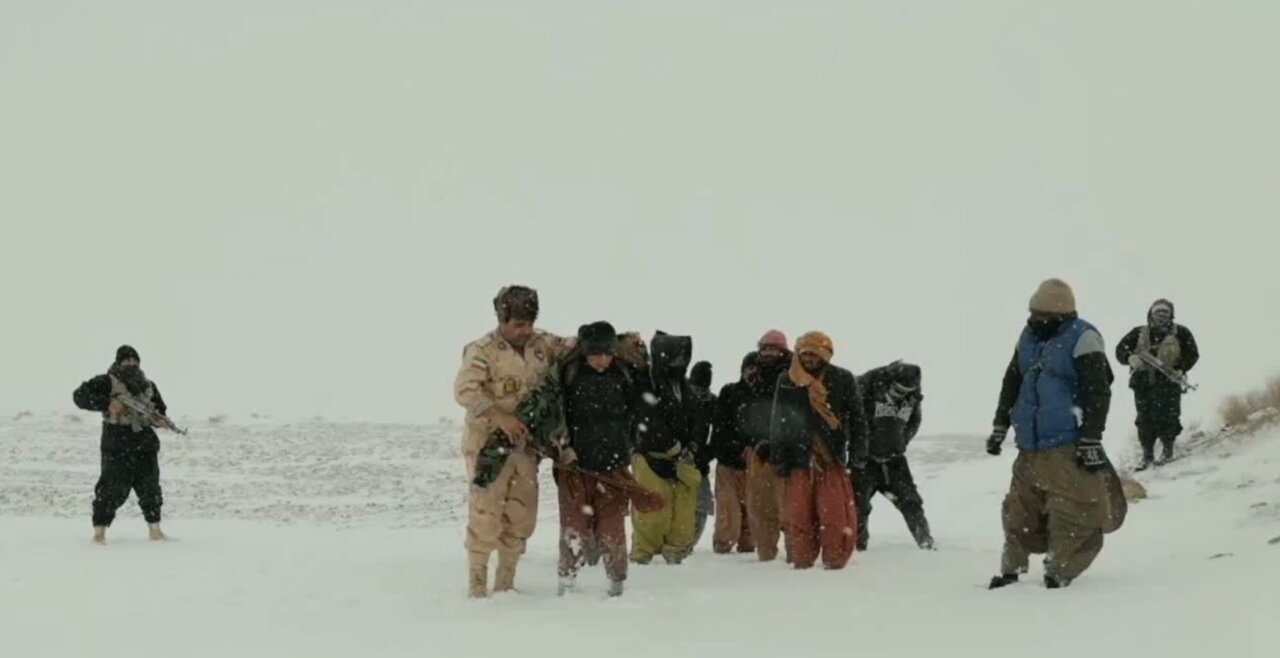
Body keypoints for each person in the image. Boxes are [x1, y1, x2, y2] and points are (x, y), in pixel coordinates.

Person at [986, 279, 1119, 590]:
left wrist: (1090, 438)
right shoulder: (1028, 336)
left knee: (1072, 511)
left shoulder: (1084, 337)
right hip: (1029, 445)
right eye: (1033, 315)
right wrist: (999, 425)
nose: (1036, 321)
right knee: (1018, 510)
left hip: (1067, 444)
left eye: (1043, 317)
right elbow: (1012, 381)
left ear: (1062, 316)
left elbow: (1098, 392)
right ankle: (1010, 571)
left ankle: (1059, 571)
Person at [453, 285, 571, 598]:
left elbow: (575, 347)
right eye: (518, 324)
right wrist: (498, 415)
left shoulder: (542, 344)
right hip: (489, 447)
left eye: (529, 323)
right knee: (485, 514)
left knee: (521, 517)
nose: (525, 330)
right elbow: (465, 390)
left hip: (525, 449)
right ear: (502, 319)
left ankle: (506, 584)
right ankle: (477, 585)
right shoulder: (483, 350)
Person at [767, 332, 865, 570]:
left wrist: (858, 455)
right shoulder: (787, 379)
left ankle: (835, 559)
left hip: (830, 457)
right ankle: (802, 560)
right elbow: (779, 421)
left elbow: (858, 420)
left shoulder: (842, 379)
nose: (808, 359)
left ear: (825, 355)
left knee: (834, 515)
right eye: (805, 354)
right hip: (798, 458)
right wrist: (779, 457)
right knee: (799, 515)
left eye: (814, 354)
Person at [556, 322, 637, 597]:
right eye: (595, 354)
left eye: (606, 353)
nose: (601, 359)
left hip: (613, 468)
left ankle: (617, 581)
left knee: (613, 529)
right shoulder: (570, 374)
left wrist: (629, 446)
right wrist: (563, 448)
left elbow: (637, 414)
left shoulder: (625, 374)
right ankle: (567, 580)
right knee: (574, 527)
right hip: (575, 466)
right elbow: (557, 415)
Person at [73, 345, 173, 545]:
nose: (131, 364)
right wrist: (106, 404)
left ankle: (155, 531)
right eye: (126, 360)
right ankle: (99, 533)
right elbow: (79, 396)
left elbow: (160, 410)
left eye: (134, 360)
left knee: (150, 488)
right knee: (111, 489)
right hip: (116, 444)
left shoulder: (148, 385)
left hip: (144, 443)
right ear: (119, 362)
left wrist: (160, 421)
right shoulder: (106, 381)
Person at [630, 331, 701, 565]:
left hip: (682, 461)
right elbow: (647, 417)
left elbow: (697, 420)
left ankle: (676, 558)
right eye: (675, 359)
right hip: (651, 457)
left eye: (683, 360)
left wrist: (692, 445)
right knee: (650, 514)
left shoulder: (685, 387)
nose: (679, 364)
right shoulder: (646, 382)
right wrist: (671, 446)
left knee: (683, 518)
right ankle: (641, 560)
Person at [854, 360, 934, 551]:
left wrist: (902, 442)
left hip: (895, 459)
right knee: (857, 505)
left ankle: (925, 542)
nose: (902, 394)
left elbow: (915, 420)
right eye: (898, 389)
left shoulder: (913, 395)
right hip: (864, 461)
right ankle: (857, 546)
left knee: (911, 501)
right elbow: (850, 418)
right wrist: (861, 447)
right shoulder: (866, 386)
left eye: (907, 390)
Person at [1115, 299, 1200, 469]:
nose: (1161, 316)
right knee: (1144, 419)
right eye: (1158, 312)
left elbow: (1193, 354)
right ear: (1150, 314)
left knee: (1169, 416)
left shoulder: (1181, 332)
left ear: (1171, 315)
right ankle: (1147, 455)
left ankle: (1167, 450)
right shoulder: (1138, 332)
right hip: (1142, 383)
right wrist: (1130, 358)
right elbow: (1120, 350)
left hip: (1169, 381)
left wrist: (1181, 369)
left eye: (1165, 312)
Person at [746, 330, 794, 562]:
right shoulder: (753, 375)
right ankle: (765, 553)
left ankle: (797, 553)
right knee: (761, 506)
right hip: (759, 449)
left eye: (774, 349)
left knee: (792, 507)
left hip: (790, 450)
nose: (769, 353)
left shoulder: (795, 377)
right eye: (765, 348)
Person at [707, 354, 759, 554]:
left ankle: (748, 546)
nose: (752, 373)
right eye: (749, 368)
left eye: (756, 369)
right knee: (728, 513)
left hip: (756, 465)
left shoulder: (767, 396)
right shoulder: (730, 392)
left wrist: (755, 448)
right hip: (728, 464)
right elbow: (720, 428)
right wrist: (737, 448)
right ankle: (722, 548)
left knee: (753, 513)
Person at [688, 361, 717, 549]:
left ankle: (689, 543)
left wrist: (707, 454)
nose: (699, 392)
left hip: (700, 462)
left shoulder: (713, 402)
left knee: (701, 505)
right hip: (673, 459)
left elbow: (720, 433)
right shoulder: (679, 397)